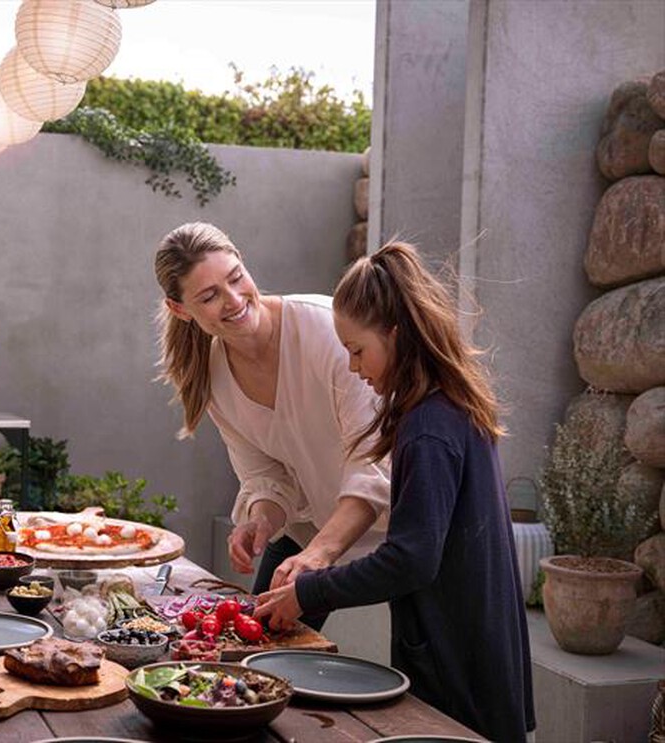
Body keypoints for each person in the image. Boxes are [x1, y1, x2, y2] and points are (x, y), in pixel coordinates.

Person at [253, 241, 535, 742]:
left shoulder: (429, 427)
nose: (355, 369)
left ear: (397, 336)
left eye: (358, 351)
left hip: (458, 664)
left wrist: (308, 593)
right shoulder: (449, 406)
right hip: (474, 648)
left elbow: (411, 559)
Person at [153, 222, 391, 629]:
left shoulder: (326, 332)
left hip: (392, 532)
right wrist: (261, 519)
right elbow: (265, 475)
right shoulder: (212, 375)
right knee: (261, 641)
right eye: (209, 296)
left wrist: (318, 555)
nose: (233, 300)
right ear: (180, 310)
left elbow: (375, 466)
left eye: (235, 278)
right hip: (308, 533)